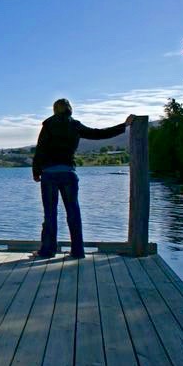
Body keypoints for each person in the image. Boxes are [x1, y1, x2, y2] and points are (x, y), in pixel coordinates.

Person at [32, 98, 135, 259]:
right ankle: (78, 251)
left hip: (50, 174)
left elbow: (40, 150)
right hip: (68, 173)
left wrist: (36, 172)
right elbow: (99, 134)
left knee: (50, 214)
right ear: (69, 109)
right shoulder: (75, 125)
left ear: (54, 109)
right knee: (73, 212)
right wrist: (124, 126)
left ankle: (47, 251)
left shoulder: (48, 125)